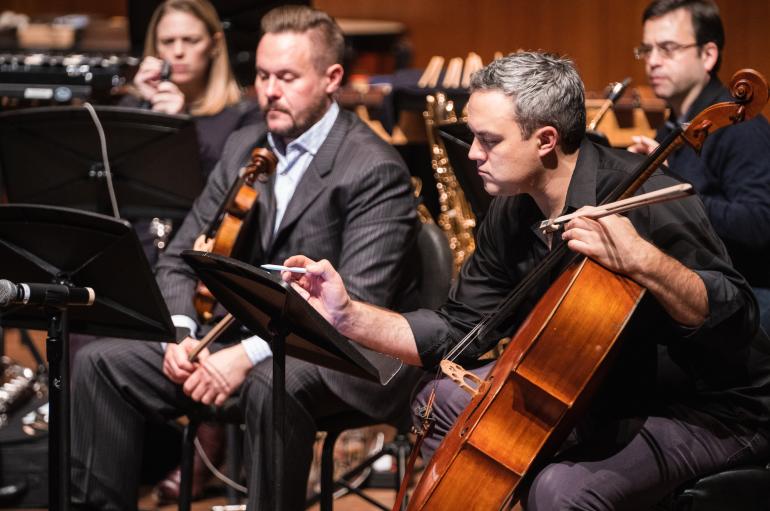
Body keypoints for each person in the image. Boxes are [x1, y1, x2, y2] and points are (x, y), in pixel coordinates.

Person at [283, 51, 770, 510]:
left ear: (546, 140)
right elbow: (458, 331)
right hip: (591, 396)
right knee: (441, 396)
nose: (472, 154)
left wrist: (646, 261)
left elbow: (736, 317)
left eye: (489, 140)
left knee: (560, 490)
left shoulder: (648, 199)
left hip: (706, 410)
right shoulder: (513, 210)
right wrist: (347, 315)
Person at [70, 6, 424, 511]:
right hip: (241, 339)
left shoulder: (372, 168)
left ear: (332, 79)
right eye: (261, 76)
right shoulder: (246, 146)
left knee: (268, 384)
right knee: (101, 362)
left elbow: (356, 308)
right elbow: (180, 257)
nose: (270, 91)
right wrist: (182, 333)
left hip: (339, 356)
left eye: (286, 77)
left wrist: (246, 355)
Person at [628, 0, 770, 333]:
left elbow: (760, 224)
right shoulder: (675, 125)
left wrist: (672, 188)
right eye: (647, 50)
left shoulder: (740, 128)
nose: (652, 62)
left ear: (708, 55)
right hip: (694, 292)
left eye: (667, 49)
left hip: (744, 304)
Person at [123, 0, 260, 177]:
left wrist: (180, 127)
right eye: (167, 41)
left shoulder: (245, 114)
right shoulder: (133, 104)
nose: (178, 51)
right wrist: (144, 110)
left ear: (215, 45)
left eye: (191, 40)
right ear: (156, 48)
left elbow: (226, 188)